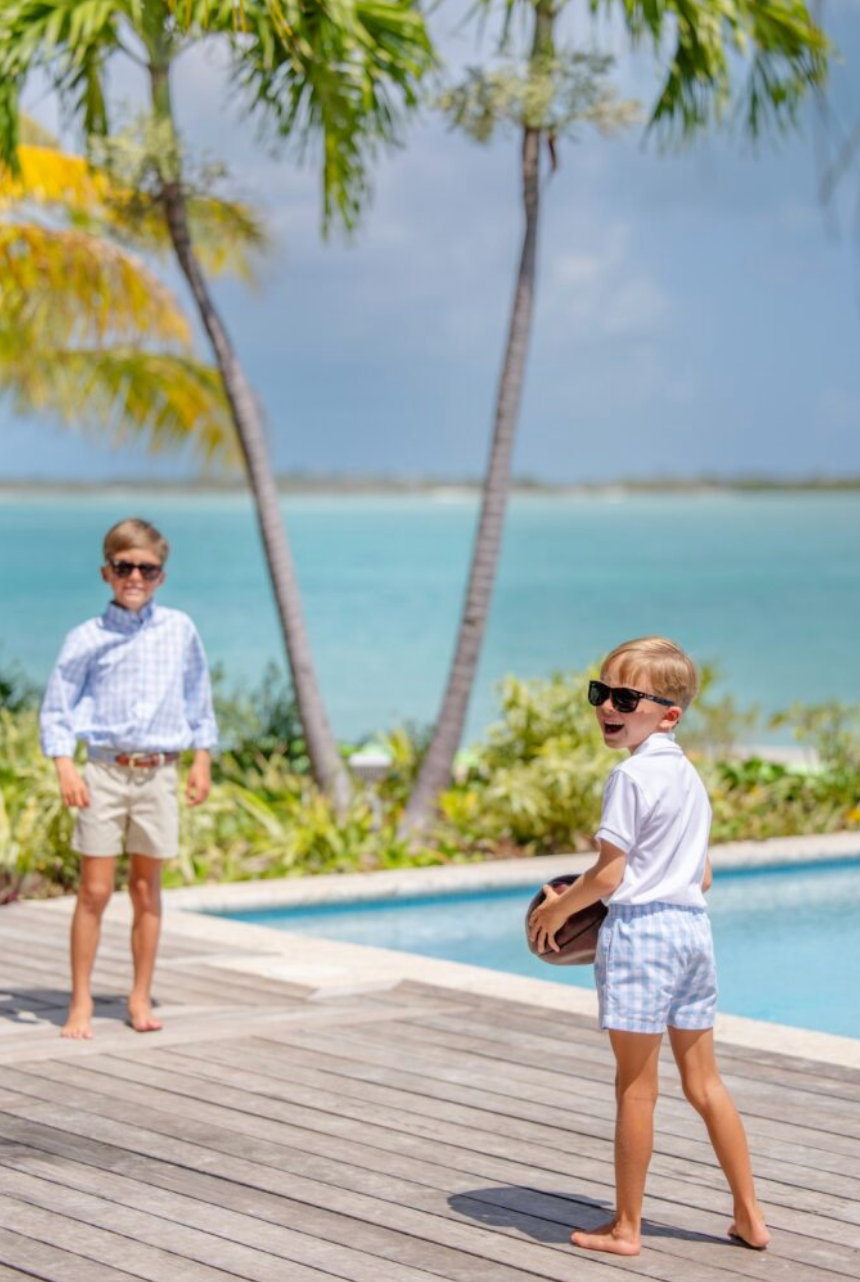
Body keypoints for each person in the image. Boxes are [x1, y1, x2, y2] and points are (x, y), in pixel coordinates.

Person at [528, 635, 769, 1257]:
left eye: (626, 698)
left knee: (635, 1087)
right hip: (692, 933)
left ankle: (627, 1228)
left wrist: (558, 909)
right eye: (601, 692)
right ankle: (750, 1216)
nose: (608, 706)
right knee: (705, 1082)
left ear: (668, 714)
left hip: (641, 935)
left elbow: (609, 877)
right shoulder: (689, 778)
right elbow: (702, 876)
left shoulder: (630, 777)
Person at [40, 517, 217, 1040]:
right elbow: (57, 708)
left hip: (159, 774)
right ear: (106, 572)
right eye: (124, 567)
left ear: (162, 576)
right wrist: (65, 765)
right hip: (103, 773)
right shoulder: (85, 638)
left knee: (146, 890)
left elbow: (198, 697)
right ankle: (81, 1000)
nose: (135, 577)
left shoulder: (180, 630)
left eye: (147, 569)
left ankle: (140, 995)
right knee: (94, 891)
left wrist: (202, 758)